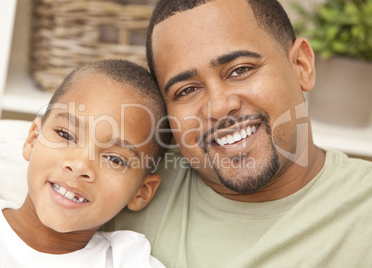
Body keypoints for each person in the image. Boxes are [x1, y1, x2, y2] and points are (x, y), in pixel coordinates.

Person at [104, 0, 372, 267]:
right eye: (186, 90)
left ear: (302, 65)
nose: (220, 107)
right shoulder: (124, 186)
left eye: (240, 70)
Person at [0, 59, 171, 267]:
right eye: (66, 134)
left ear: (142, 191)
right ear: (33, 140)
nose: (80, 165)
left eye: (114, 159)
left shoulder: (127, 260)